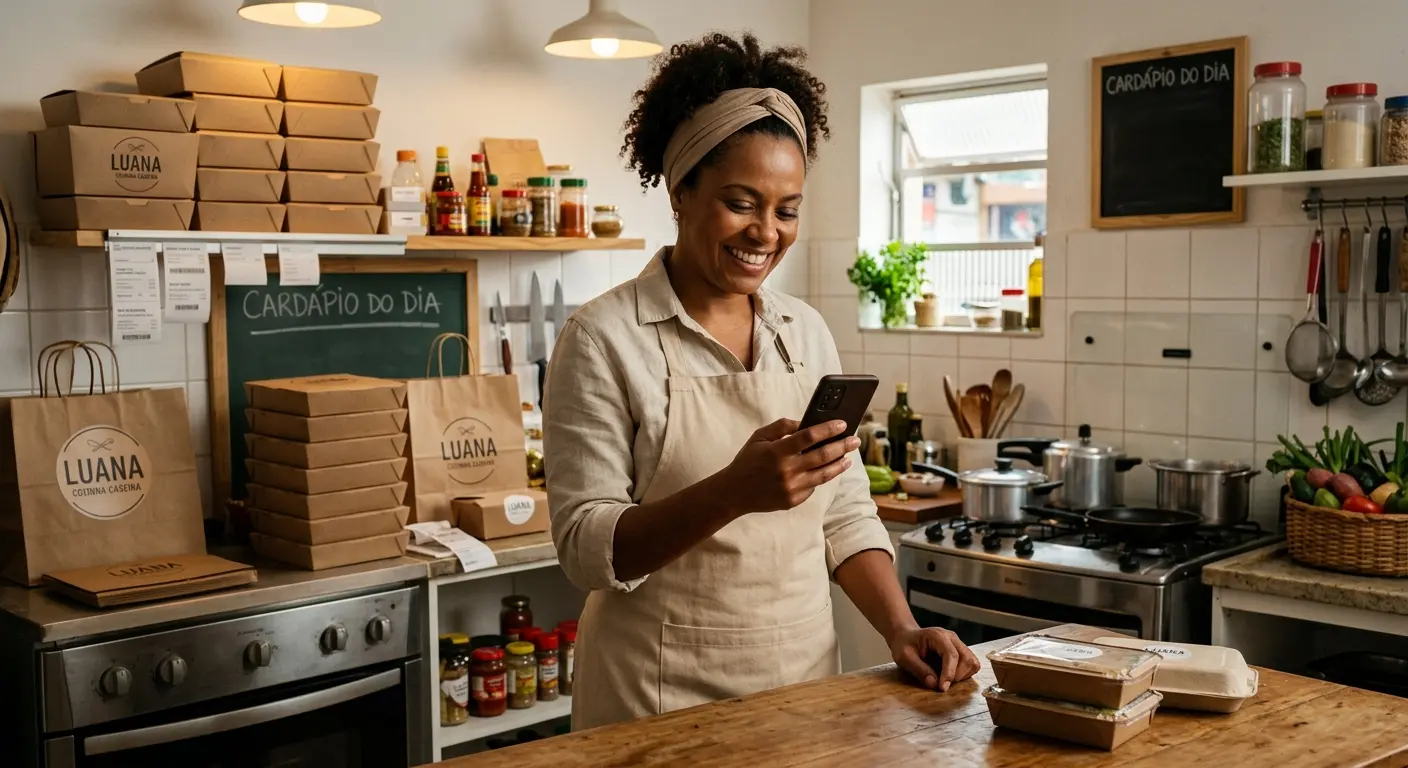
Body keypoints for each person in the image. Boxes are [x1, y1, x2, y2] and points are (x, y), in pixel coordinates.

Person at [543, 31, 980, 731]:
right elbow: (587, 548)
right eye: (742, 202)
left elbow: (844, 510)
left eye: (787, 209)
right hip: (653, 704)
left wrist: (901, 629)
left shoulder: (803, 333)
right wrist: (734, 491)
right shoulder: (603, 338)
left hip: (800, 692)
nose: (766, 232)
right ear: (680, 191)